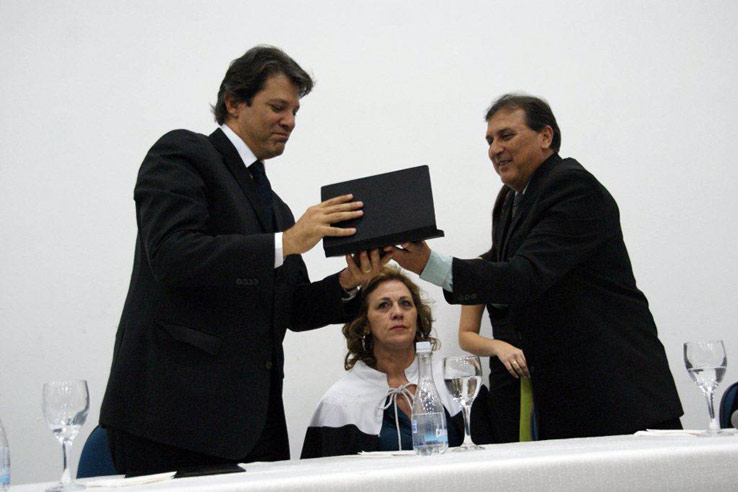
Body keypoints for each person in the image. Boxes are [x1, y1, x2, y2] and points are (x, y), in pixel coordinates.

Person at [100, 45, 388, 475]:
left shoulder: (276, 207)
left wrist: (350, 280)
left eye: (294, 111)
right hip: (173, 418)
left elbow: (293, 309)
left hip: (256, 426)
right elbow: (173, 255)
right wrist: (286, 242)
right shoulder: (183, 154)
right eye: (277, 106)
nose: (289, 121)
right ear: (234, 103)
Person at [389, 93, 683, 440]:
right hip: (563, 396)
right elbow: (502, 264)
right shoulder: (510, 198)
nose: (494, 149)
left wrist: (430, 264)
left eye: (506, 135)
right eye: (489, 140)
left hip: (616, 393)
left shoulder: (573, 186)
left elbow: (523, 276)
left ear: (546, 136)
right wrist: (411, 252)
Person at [301, 267, 492, 458]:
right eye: (383, 305)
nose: (397, 312)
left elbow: (491, 461)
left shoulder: (455, 383)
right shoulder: (339, 402)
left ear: (417, 318)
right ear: (365, 323)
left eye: (406, 304)